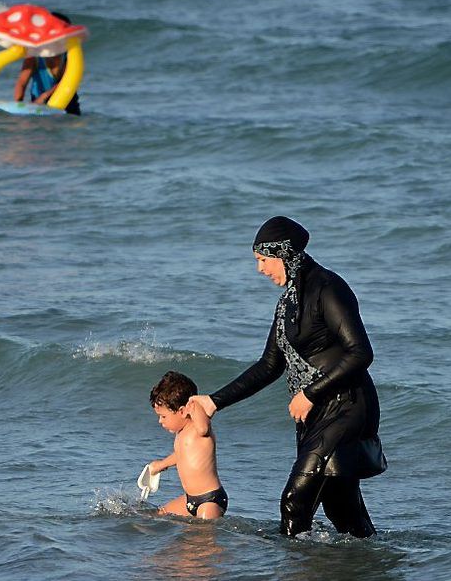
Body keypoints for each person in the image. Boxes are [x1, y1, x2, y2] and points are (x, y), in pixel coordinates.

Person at [189, 216, 386, 538]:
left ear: (284, 254)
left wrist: (309, 393)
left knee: (295, 501)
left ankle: (291, 568)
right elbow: (269, 364)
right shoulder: (288, 302)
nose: (261, 269)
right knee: (343, 511)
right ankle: (374, 565)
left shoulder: (328, 288)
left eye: (263, 260)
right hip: (317, 414)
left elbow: (361, 353)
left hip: (346, 407)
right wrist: (214, 401)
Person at [147, 371, 228, 519]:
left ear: (183, 411)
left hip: (209, 500)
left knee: (203, 536)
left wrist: (195, 404)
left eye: (163, 416)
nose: (160, 421)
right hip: (189, 499)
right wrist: (161, 464)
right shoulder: (181, 434)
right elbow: (182, 456)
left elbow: (204, 428)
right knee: (160, 515)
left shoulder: (199, 427)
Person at [12, 11, 81, 115]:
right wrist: (18, 105)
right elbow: (22, 82)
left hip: (67, 101)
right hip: (38, 101)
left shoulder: (69, 55)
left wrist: (44, 96)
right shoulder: (35, 55)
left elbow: (65, 81)